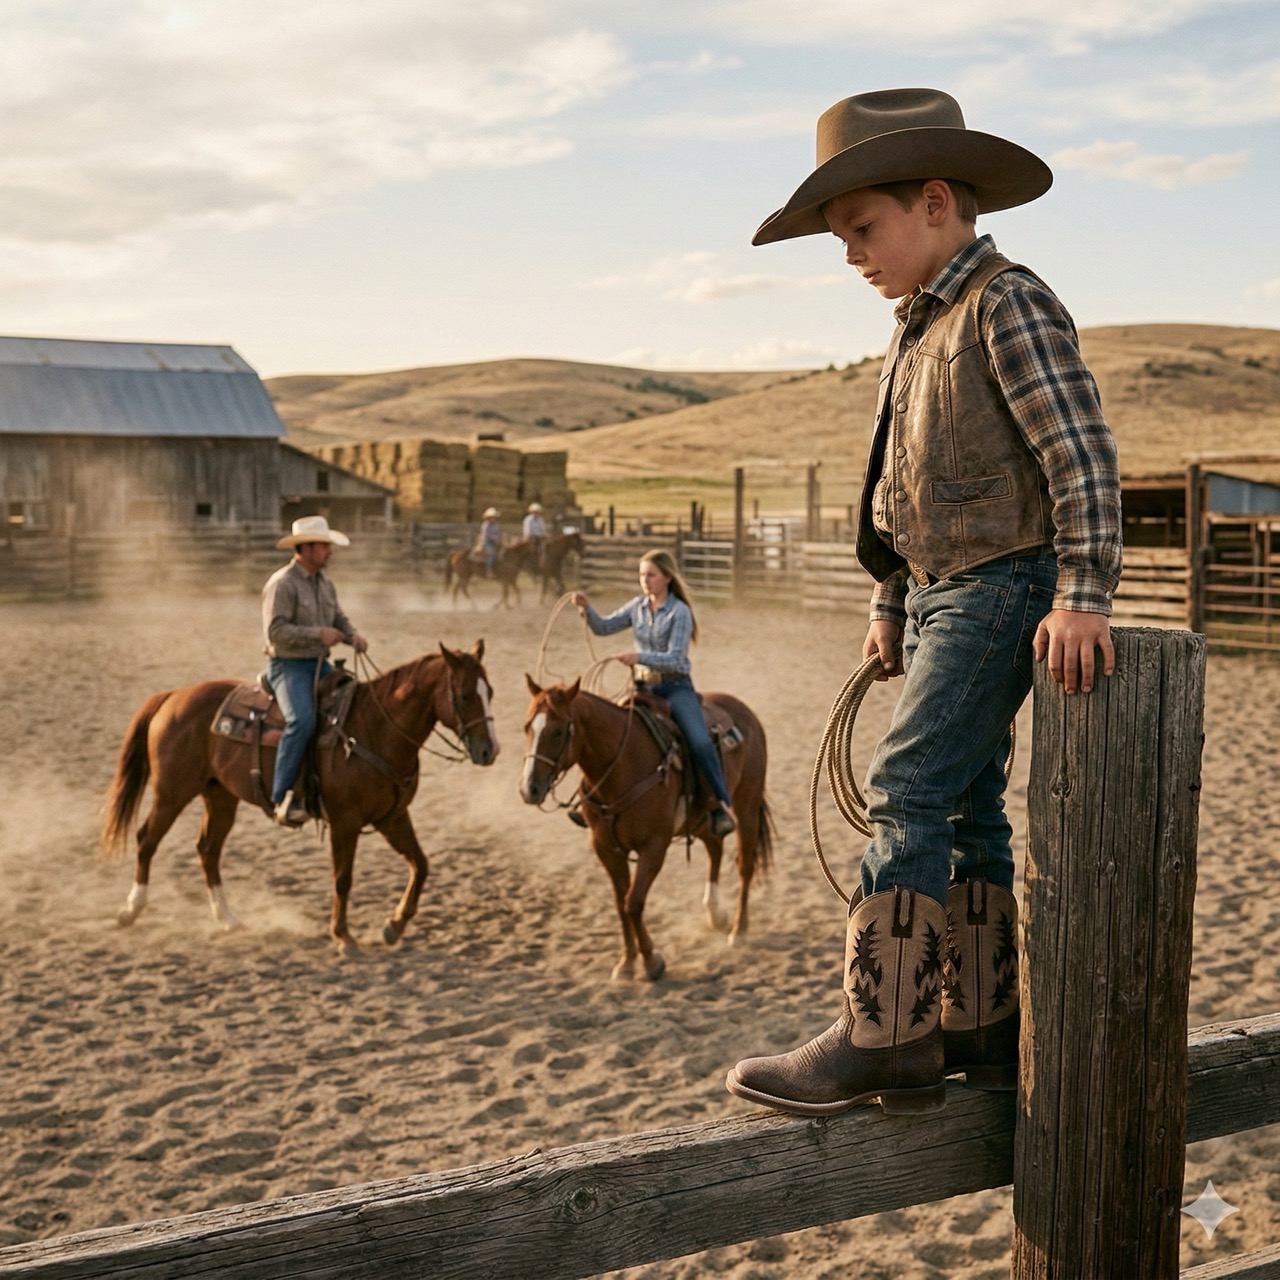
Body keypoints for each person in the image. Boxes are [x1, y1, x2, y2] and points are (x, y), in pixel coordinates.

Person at [725, 88, 1122, 1116]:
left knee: (905, 790)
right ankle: (978, 1027)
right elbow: (899, 486)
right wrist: (889, 598)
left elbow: (1076, 454)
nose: (850, 252)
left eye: (862, 226)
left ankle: (884, 1031)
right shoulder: (919, 326)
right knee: (965, 804)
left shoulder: (1003, 302)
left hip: (1001, 581)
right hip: (948, 588)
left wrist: (1080, 593)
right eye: (839, 234)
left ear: (935, 201)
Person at [571, 550, 737, 838]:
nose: (645, 581)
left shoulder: (679, 612)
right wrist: (587, 609)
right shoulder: (637, 606)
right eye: (641, 575)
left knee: (698, 741)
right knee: (606, 732)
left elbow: (674, 657)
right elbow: (604, 627)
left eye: (651, 575)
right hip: (643, 688)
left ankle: (718, 804)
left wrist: (639, 657)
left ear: (667, 578)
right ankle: (590, 797)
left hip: (675, 688)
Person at [262, 515, 368, 827]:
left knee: (357, 704)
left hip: (320, 666)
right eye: (324, 546)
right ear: (305, 549)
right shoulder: (283, 584)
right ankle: (281, 796)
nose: (329, 552)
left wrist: (352, 636)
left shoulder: (326, 585)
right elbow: (275, 631)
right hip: (288, 666)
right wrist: (317, 635)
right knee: (302, 720)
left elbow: (338, 618)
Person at [475, 507, 502, 577]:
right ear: (488, 518)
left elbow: (497, 533)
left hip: (495, 542)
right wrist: (495, 538)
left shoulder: (495, 525)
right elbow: (486, 536)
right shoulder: (485, 525)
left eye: (494, 517)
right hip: (487, 542)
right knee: (491, 554)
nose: (493, 518)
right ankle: (489, 571)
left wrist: (500, 536)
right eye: (492, 517)